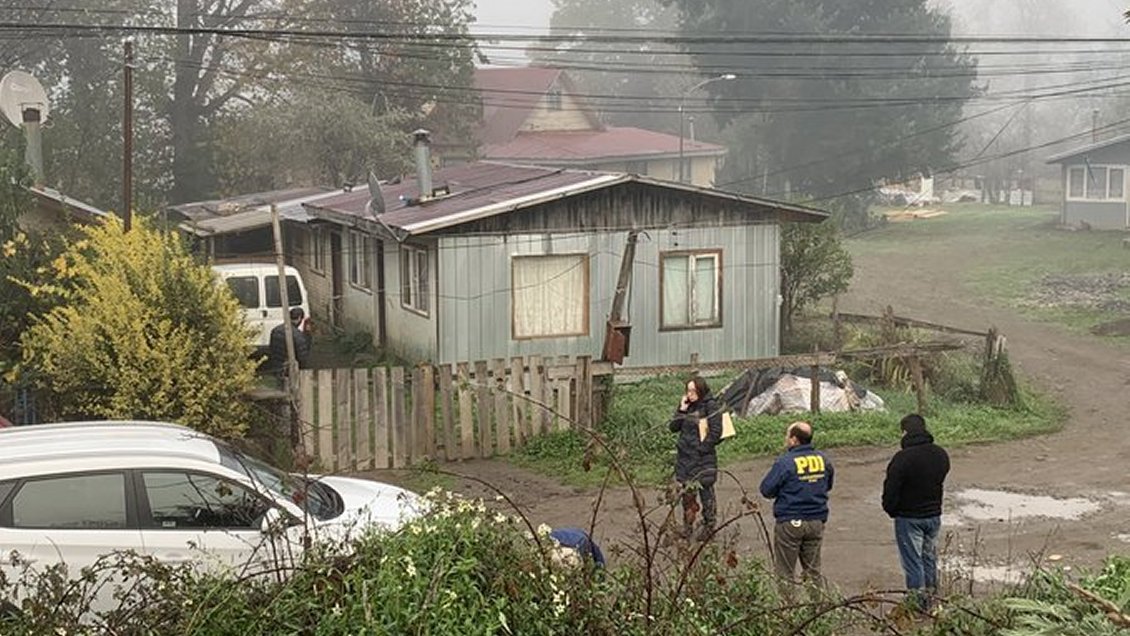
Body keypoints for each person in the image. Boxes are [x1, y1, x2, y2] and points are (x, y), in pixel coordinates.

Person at [882, 414, 950, 614]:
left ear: (904, 432)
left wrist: (891, 509)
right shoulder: (940, 454)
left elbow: (891, 489)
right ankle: (932, 599)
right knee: (929, 557)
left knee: (913, 562)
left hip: (909, 517)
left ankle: (917, 603)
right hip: (933, 515)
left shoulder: (902, 458)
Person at [759, 421, 834, 586]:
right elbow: (828, 485)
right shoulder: (823, 460)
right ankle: (818, 608)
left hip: (790, 522)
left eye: (788, 436)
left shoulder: (785, 462)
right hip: (816, 521)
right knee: (813, 572)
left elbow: (766, 489)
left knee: (785, 573)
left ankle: (788, 609)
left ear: (794, 439)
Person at [668, 376, 723, 541]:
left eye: (693, 391)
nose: (690, 394)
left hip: (702, 459)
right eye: (688, 391)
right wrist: (682, 410)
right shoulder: (687, 406)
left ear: (700, 390)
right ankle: (688, 527)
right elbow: (673, 427)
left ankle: (709, 527)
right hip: (685, 459)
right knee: (687, 495)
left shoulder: (710, 406)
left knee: (706, 493)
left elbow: (716, 432)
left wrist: (701, 449)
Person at [267, 307, 310, 380]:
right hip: (289, 370)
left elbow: (271, 349)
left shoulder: (275, 330)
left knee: (280, 387)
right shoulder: (298, 335)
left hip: (277, 367)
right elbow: (302, 357)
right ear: (299, 318)